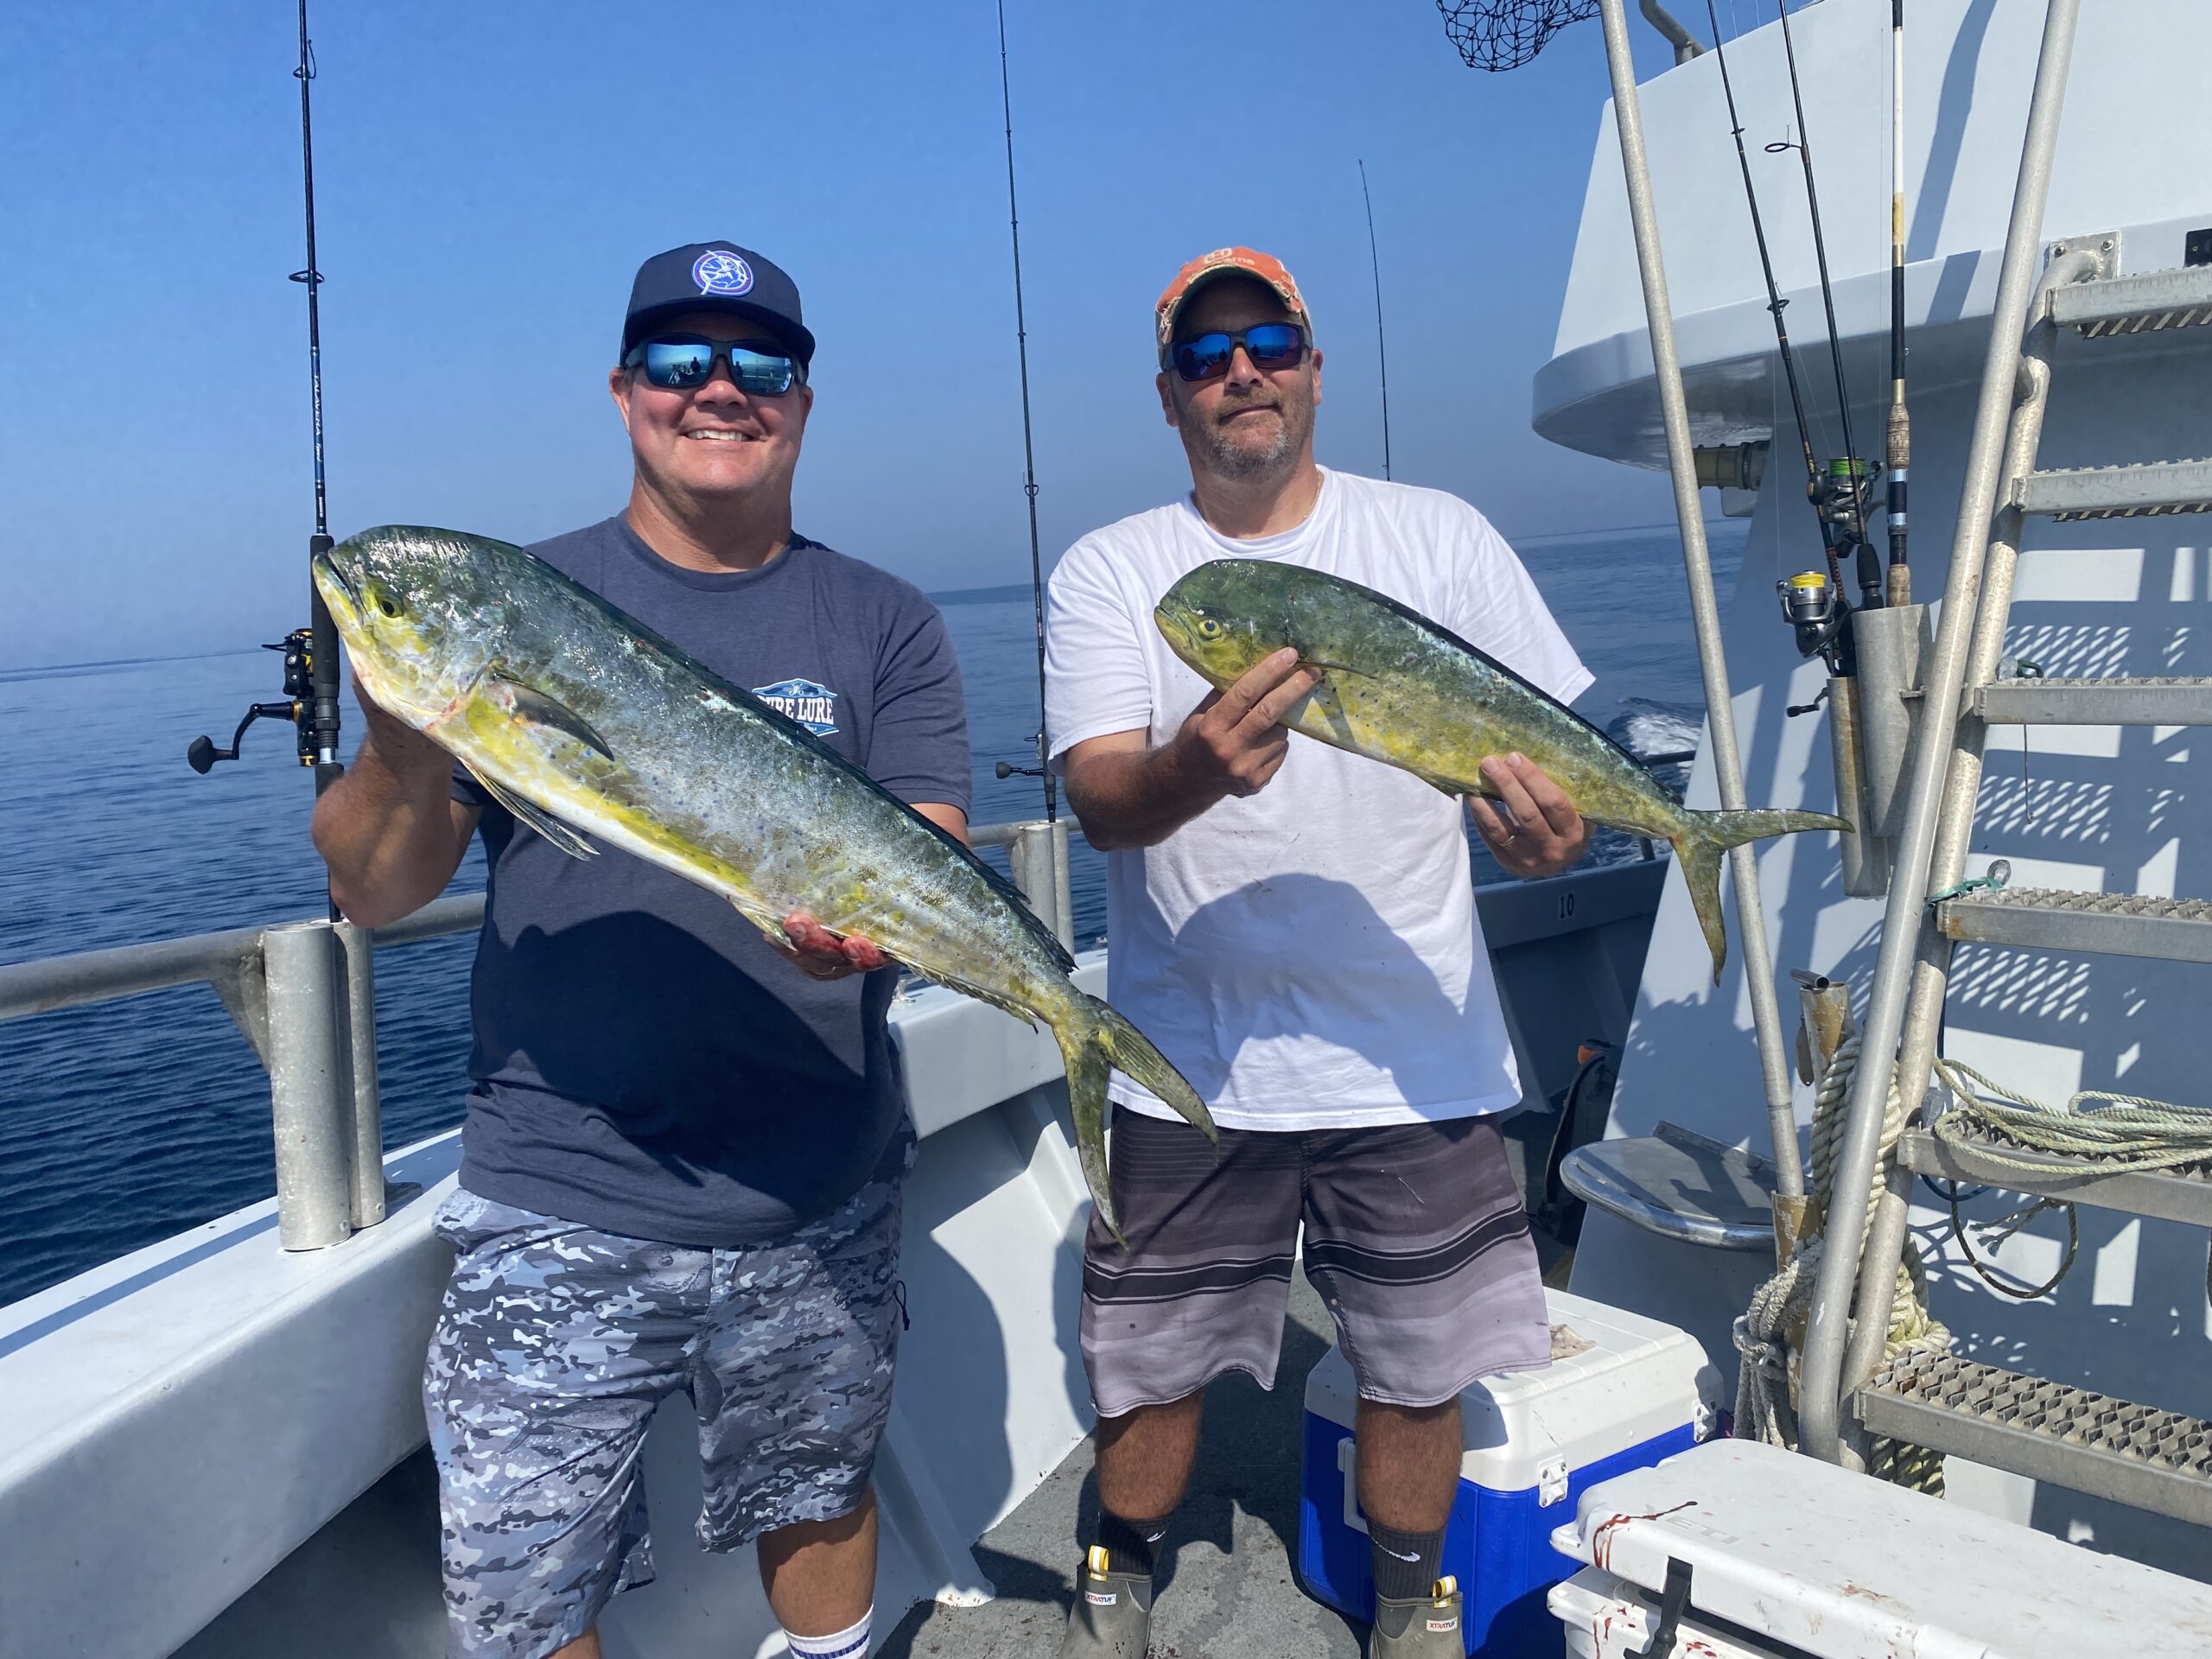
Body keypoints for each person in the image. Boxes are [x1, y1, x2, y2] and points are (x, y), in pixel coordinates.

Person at [312, 240, 969, 1659]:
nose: (717, 390)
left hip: (821, 1184)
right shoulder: (518, 604)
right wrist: (401, 736)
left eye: (757, 364)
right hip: (561, 1191)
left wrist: (861, 944)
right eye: (679, 362)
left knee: (822, 1498)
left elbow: (929, 854)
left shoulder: (886, 622)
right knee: (525, 1601)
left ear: (802, 398)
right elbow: (373, 887)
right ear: (624, 392)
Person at [1042, 247, 1595, 1659]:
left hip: (1416, 1047)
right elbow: (1101, 797)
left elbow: (1558, 781)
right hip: (1194, 1060)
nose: (1243, 368)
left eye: (1270, 338)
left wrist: (1551, 838)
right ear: (1169, 394)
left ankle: (1409, 1602)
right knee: (1152, 1373)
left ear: (1314, 365)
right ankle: (1121, 1579)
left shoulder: (1442, 538)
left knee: (1419, 1368)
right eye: (1207, 351)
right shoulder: (1115, 567)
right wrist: (1195, 772)